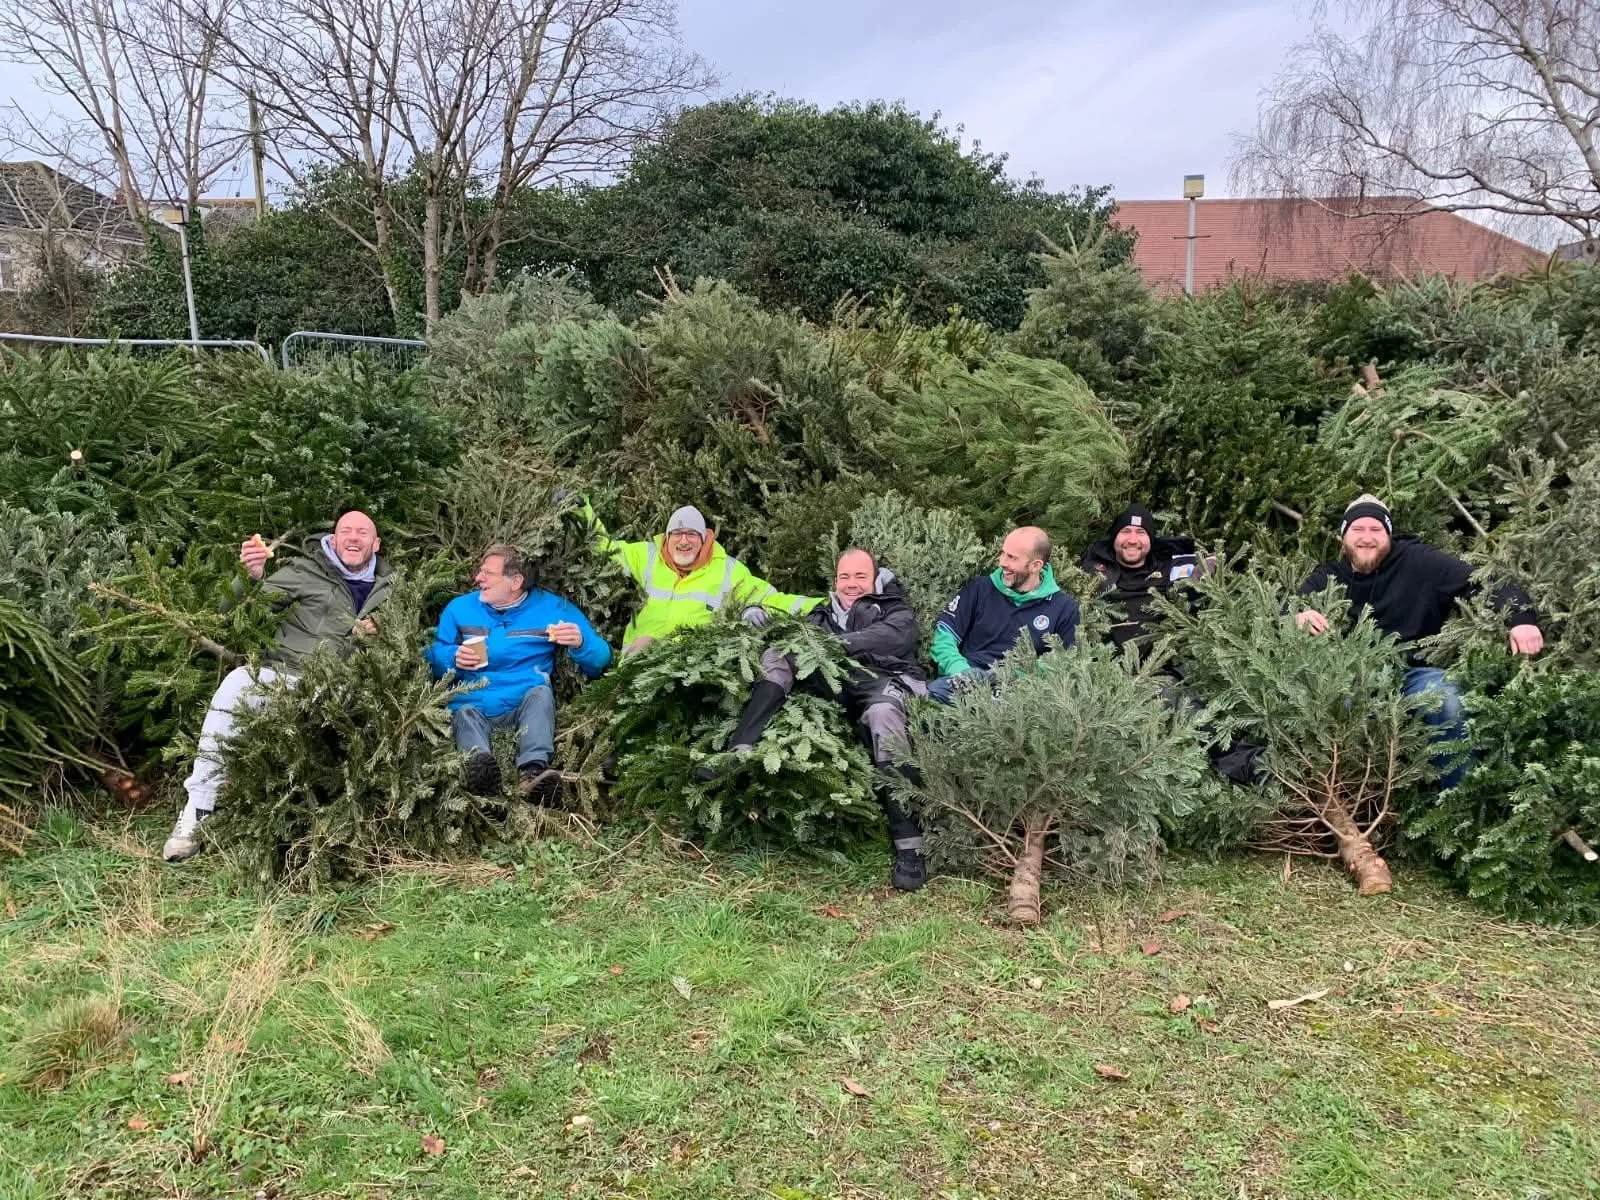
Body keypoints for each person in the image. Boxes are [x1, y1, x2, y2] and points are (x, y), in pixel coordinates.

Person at [162, 510, 393, 862]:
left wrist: (373, 638)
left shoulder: (392, 587)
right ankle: (198, 811)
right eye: (345, 530)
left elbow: (408, 640)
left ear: (375, 543)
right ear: (332, 539)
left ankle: (349, 827)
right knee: (237, 683)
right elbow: (233, 613)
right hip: (286, 674)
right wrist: (250, 578)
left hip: (347, 684)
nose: (353, 537)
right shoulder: (304, 573)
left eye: (362, 532)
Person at [700, 549, 929, 891]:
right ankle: (740, 748)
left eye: (860, 576)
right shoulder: (820, 615)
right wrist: (757, 615)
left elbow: (893, 638)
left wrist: (834, 644)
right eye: (844, 577)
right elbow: (791, 630)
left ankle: (910, 846)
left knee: (884, 715)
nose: (851, 584)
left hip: (884, 681)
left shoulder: (894, 607)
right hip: (834, 681)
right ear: (835, 581)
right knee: (778, 655)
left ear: (875, 578)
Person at [1296, 494, 1543, 788]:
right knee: (1337, 708)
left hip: (1415, 674)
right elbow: (1289, 606)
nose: (1366, 538)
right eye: (1357, 530)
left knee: (1448, 699)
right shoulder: (1329, 577)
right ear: (1343, 537)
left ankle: (1457, 800)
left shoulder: (1421, 562)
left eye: (1376, 530)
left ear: (1388, 533)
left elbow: (1484, 582)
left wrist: (1522, 619)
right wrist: (1301, 614)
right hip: (1354, 678)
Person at [427, 545, 611, 801]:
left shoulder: (554, 609)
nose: (478, 579)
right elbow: (433, 656)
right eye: (480, 571)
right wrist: (451, 657)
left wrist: (581, 643)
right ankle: (480, 771)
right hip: (473, 699)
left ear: (515, 581)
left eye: (487, 573)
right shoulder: (459, 609)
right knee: (464, 714)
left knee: (540, 696)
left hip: (523, 698)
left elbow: (601, 658)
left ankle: (534, 773)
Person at [584, 501, 819, 654]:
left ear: (704, 539)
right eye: (677, 533)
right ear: (667, 537)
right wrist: (579, 507)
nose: (683, 541)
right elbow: (605, 548)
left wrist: (826, 606)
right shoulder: (647, 556)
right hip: (635, 667)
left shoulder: (726, 570)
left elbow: (773, 599)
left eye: (691, 534)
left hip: (690, 666)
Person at [929, 526, 1079, 703]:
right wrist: (961, 670)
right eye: (1003, 553)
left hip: (1016, 694)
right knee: (934, 692)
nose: (1002, 562)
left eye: (1012, 557)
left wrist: (1009, 677)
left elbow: (1061, 664)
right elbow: (944, 637)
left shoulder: (1064, 608)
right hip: (966, 679)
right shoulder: (980, 588)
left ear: (1035, 566)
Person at [1080, 503, 1204, 663]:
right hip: (1102, 666)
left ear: (1150, 539)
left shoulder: (1169, 569)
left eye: (1140, 532)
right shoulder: (1091, 568)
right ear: (1114, 537)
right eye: (1125, 531)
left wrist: (1210, 563)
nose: (1132, 540)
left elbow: (1223, 561)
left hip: (1158, 670)